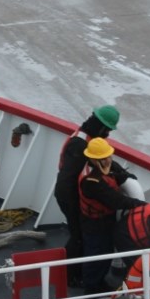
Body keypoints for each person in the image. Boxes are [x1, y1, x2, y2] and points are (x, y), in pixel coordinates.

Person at [54, 105, 120, 286]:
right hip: (68, 196)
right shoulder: (80, 144)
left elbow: (97, 161)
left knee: (79, 235)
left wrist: (121, 172)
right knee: (78, 236)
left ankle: (74, 272)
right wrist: (74, 206)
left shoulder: (85, 138)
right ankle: (69, 275)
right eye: (106, 130)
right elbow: (67, 180)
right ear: (100, 126)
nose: (107, 135)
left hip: (71, 194)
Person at [78, 137, 145, 294]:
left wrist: (126, 177)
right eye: (104, 157)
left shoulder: (104, 165)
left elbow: (117, 172)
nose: (108, 159)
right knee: (95, 256)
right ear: (93, 159)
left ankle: (100, 283)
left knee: (106, 252)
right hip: (94, 223)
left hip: (105, 219)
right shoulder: (91, 181)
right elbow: (116, 200)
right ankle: (91, 289)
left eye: (108, 156)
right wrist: (143, 206)